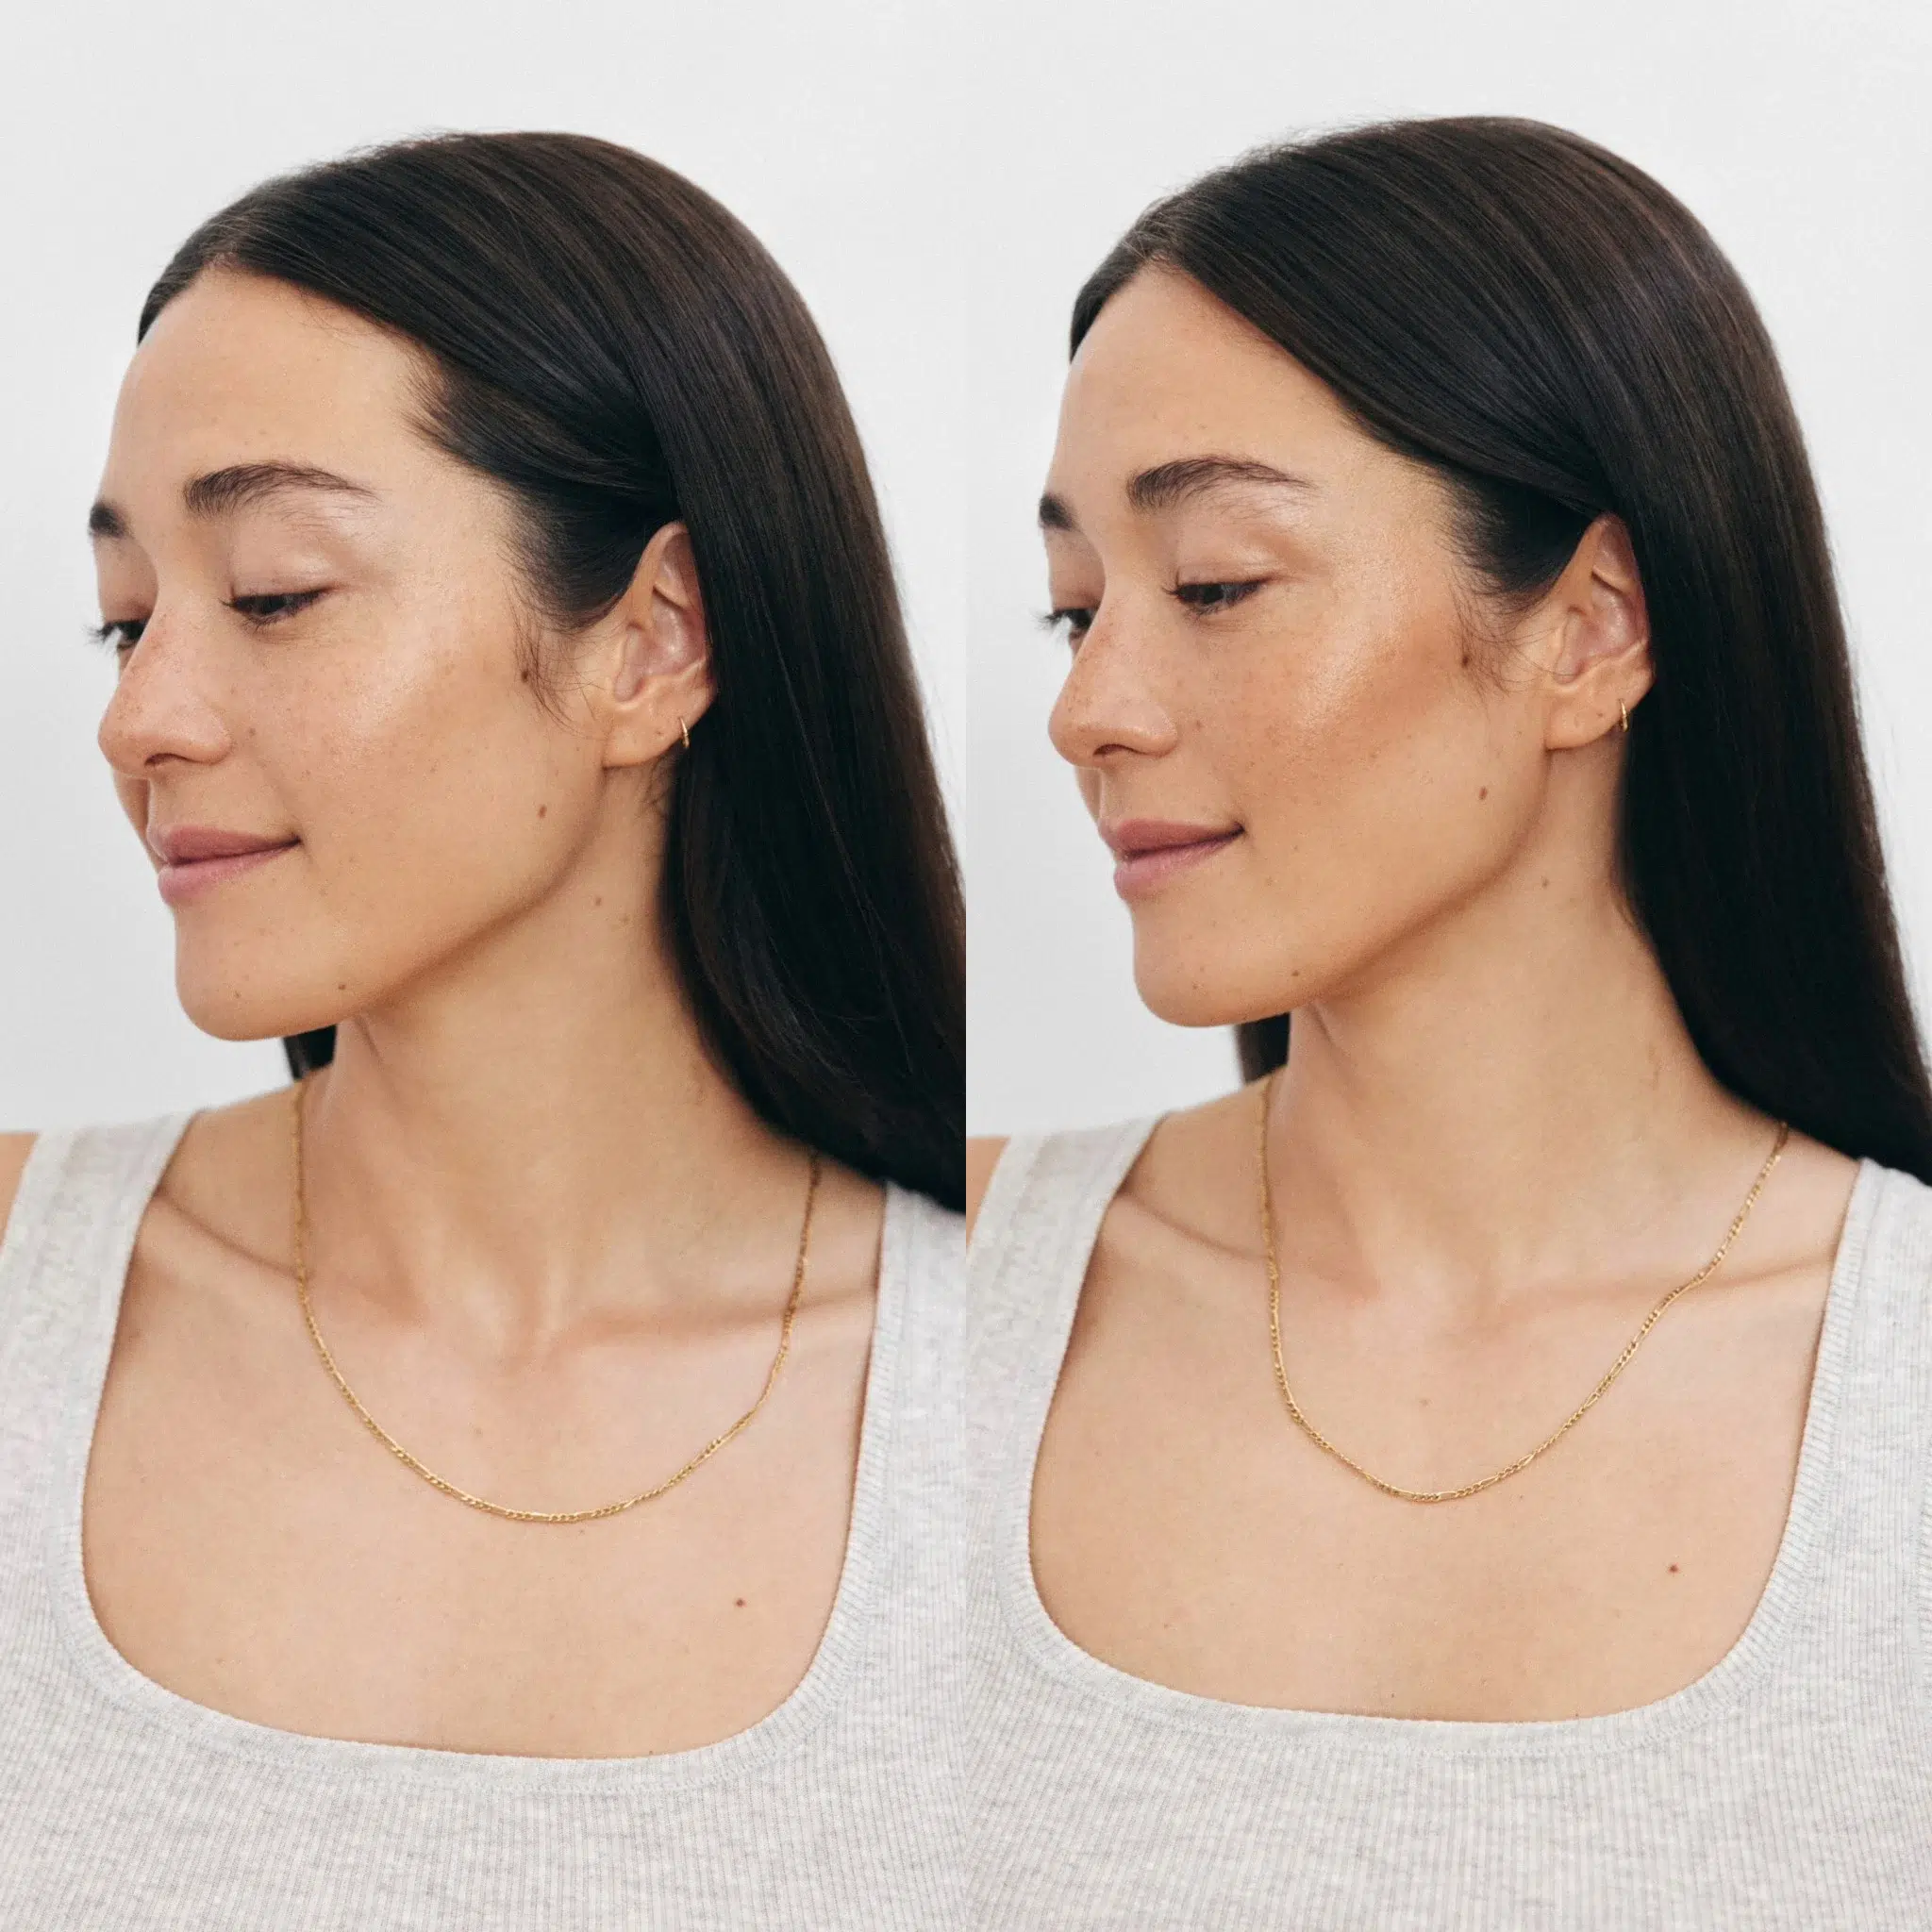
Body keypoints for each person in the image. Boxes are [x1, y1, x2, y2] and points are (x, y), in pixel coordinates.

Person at [965, 117, 1932, 1926]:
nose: (1088, 708)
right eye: (1074, 607)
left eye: (1218, 587)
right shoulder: (910, 1310)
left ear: (1589, 627)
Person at [0, 132, 963, 1929]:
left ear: (656, 641)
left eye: (274, 593)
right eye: (123, 617)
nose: (142, 717)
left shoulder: (1006, 1375)